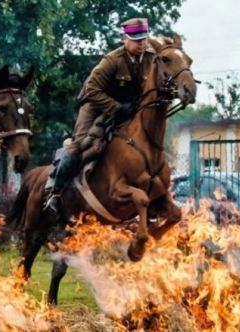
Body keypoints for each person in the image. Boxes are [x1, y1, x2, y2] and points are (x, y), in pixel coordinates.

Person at [43, 17, 156, 215]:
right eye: (136, 39)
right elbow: (91, 90)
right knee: (81, 146)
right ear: (124, 38)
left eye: (144, 39)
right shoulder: (112, 60)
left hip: (129, 108)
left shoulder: (150, 57)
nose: (142, 44)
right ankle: (55, 191)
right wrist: (116, 107)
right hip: (96, 106)